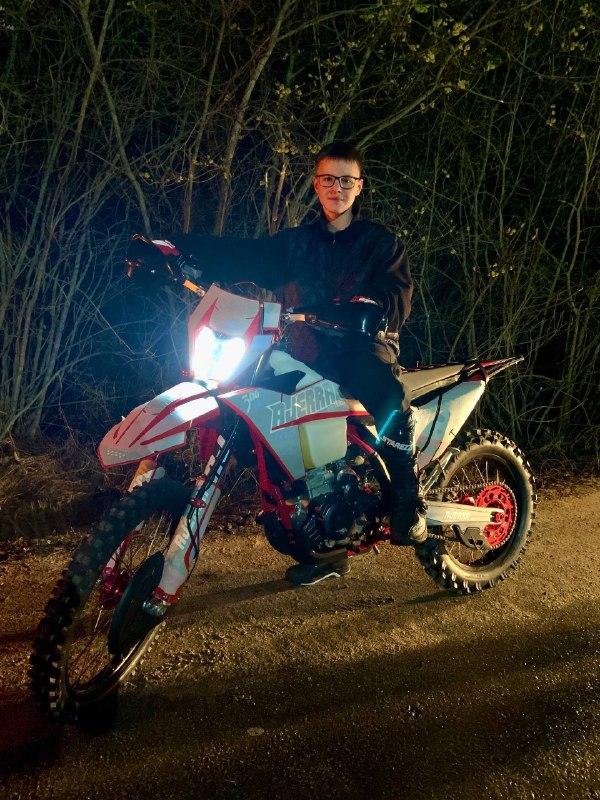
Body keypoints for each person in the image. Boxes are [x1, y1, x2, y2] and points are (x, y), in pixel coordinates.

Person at [167, 140, 427, 586]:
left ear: (359, 186)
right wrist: (175, 247)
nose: (336, 188)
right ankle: (321, 533)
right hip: (305, 350)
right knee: (248, 398)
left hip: (361, 347)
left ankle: (408, 498)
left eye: (346, 180)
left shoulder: (379, 243)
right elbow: (241, 254)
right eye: (328, 179)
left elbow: (397, 294)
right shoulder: (295, 244)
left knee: (384, 391)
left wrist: (370, 308)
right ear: (316, 184)